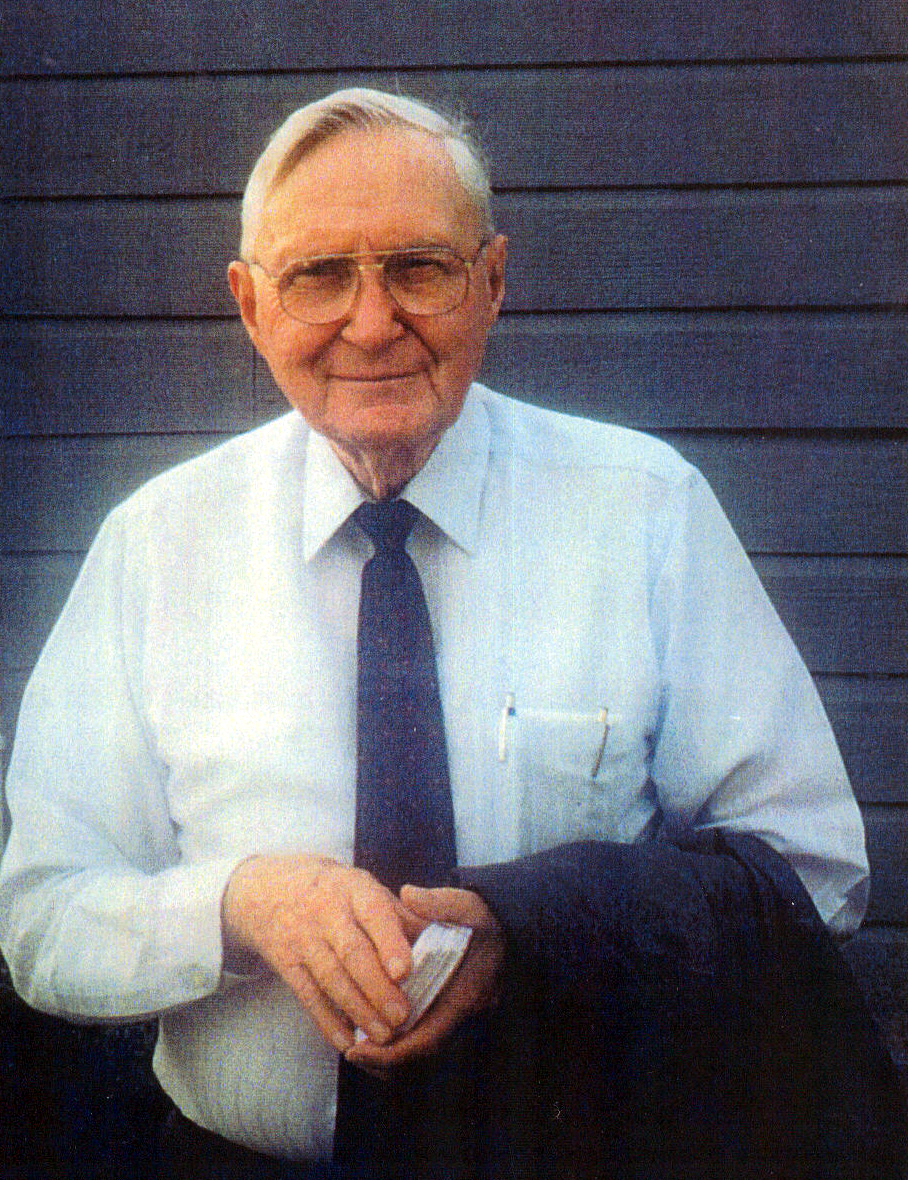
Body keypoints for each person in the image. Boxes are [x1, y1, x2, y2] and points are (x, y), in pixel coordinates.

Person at [0, 88, 904, 1180]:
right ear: (249, 305)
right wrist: (239, 905)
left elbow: (812, 872)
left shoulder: (645, 512)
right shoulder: (155, 545)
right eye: (318, 275)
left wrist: (536, 931)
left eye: (418, 268)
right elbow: (40, 918)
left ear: (493, 282)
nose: (372, 322)